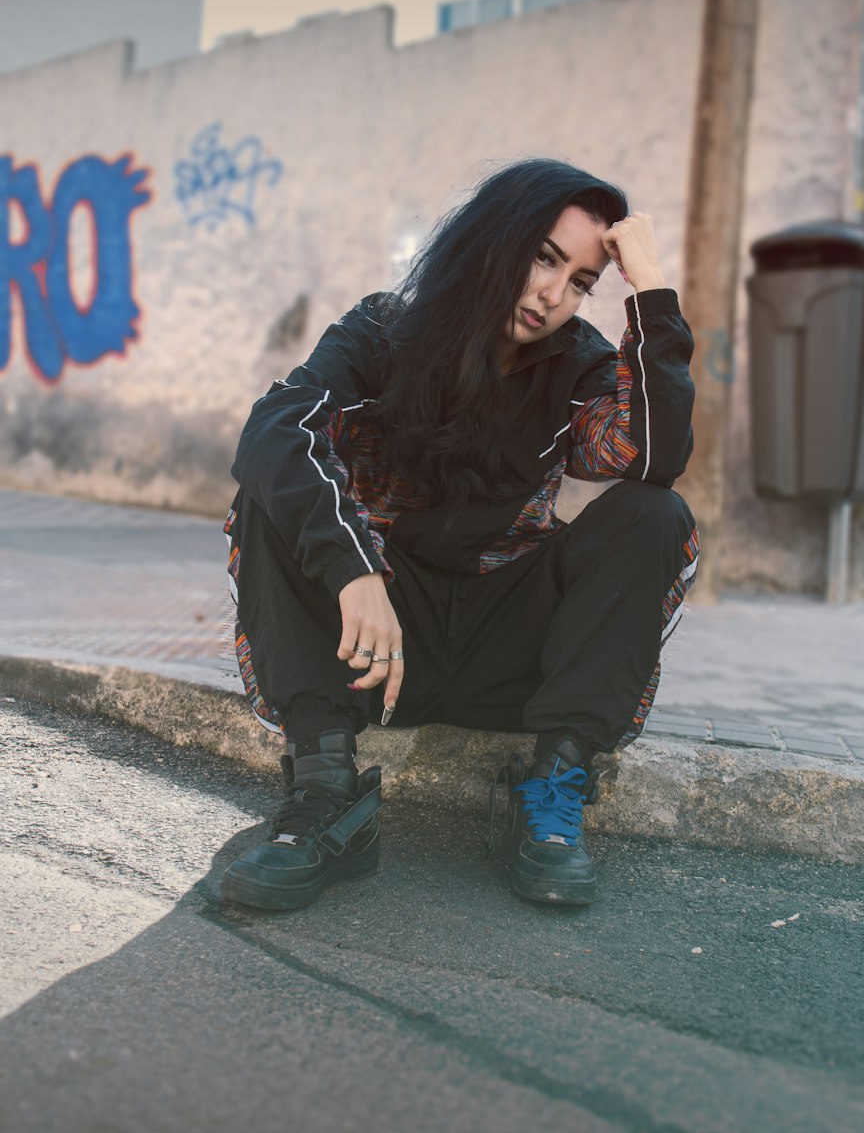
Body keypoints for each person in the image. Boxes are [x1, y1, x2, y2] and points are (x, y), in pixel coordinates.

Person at [221, 157, 699, 912]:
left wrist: (653, 292)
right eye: (544, 257)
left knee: (653, 513)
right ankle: (325, 796)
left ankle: (553, 794)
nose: (553, 293)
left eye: (580, 281)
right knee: (271, 483)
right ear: (493, 240)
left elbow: (654, 455)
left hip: (502, 655)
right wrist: (355, 569)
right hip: (374, 654)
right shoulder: (382, 333)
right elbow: (275, 431)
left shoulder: (577, 368)